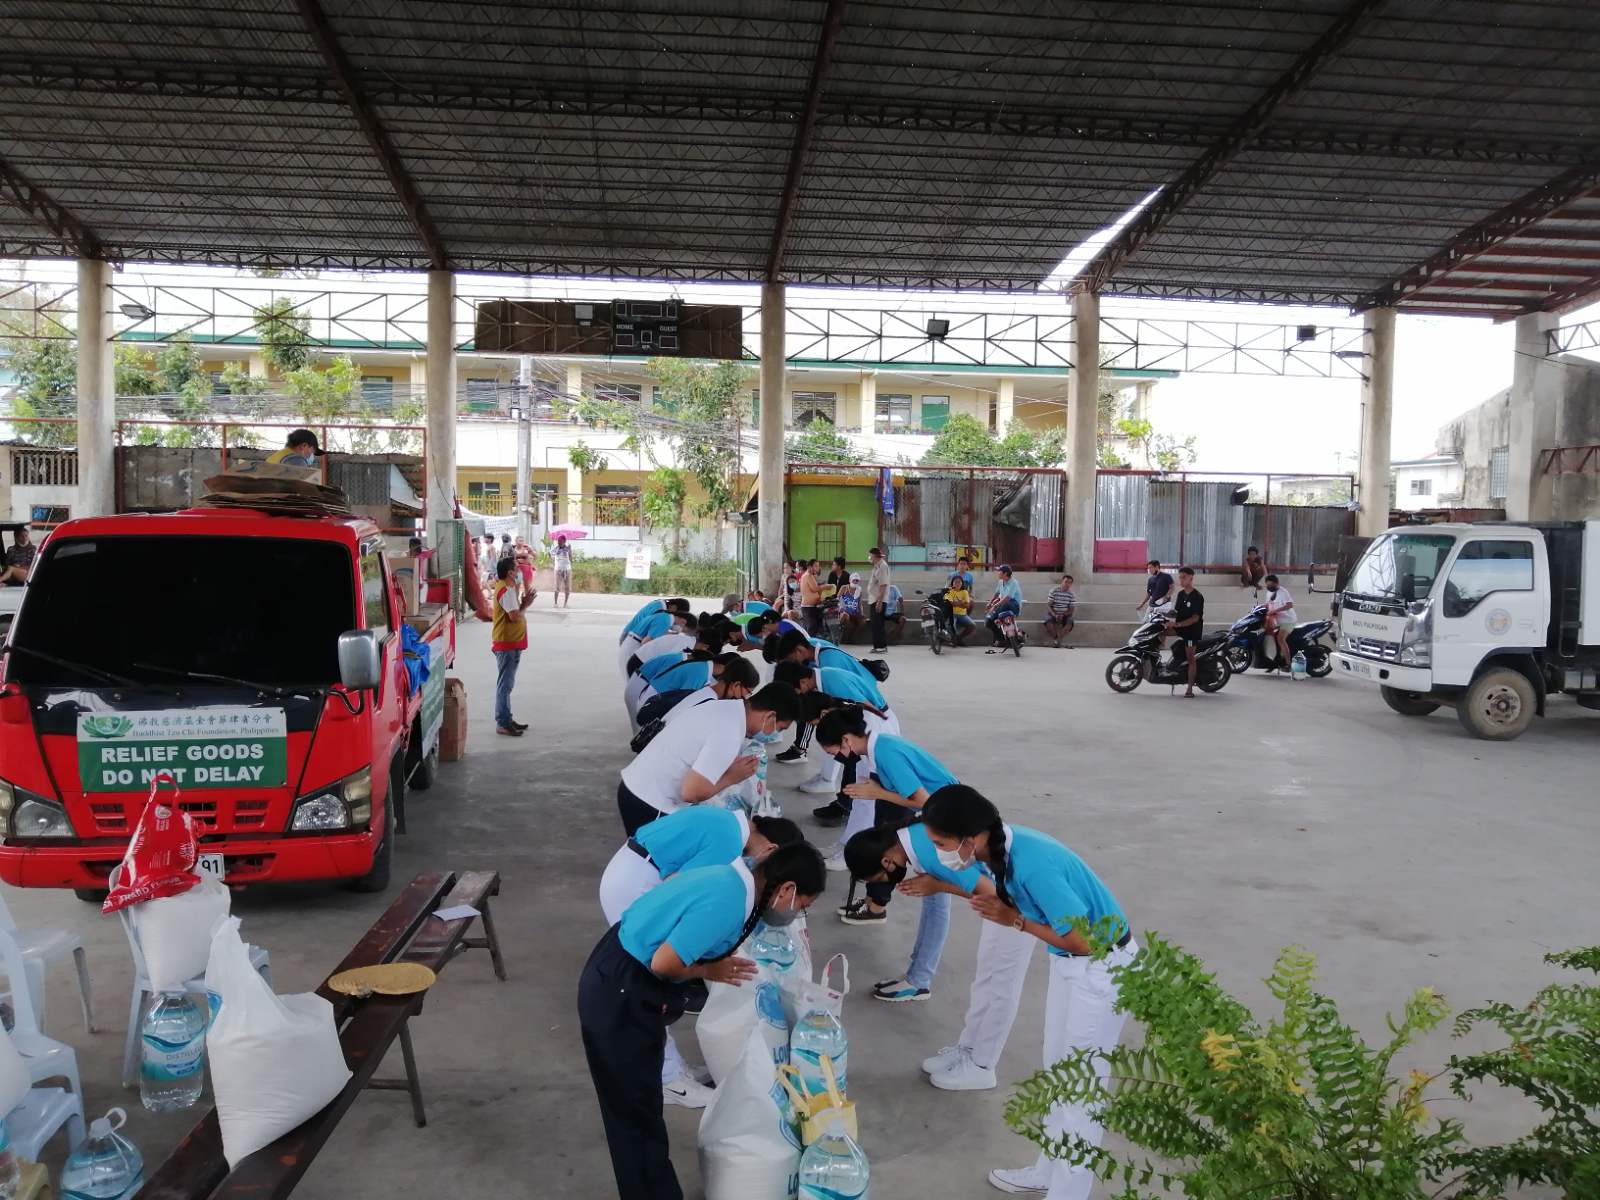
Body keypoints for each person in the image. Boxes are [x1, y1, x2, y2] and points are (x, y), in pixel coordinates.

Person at [919, 785, 1136, 1197]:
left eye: (940, 843)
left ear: (970, 838)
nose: (938, 852)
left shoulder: (1032, 864)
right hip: (1072, 966)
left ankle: (1068, 1192)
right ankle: (1048, 1170)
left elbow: (1082, 940)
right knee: (1060, 1072)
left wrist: (1013, 921)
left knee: (1080, 1088)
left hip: (1101, 969)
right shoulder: (997, 851)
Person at [578, 843, 826, 1200]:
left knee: (639, 1107)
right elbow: (664, 963)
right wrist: (710, 969)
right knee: (635, 1115)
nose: (797, 913)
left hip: (621, 969)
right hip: (621, 988)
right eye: (802, 905)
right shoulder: (727, 901)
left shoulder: (734, 878)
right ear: (786, 889)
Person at [597, 806, 803, 1109]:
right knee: (654, 982)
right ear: (770, 850)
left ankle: (675, 1067)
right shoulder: (727, 842)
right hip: (636, 884)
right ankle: (669, 1080)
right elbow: (685, 887)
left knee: (660, 977)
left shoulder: (729, 824)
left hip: (634, 870)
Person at [816, 708, 959, 913]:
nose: (838, 758)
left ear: (846, 740)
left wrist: (878, 793)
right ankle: (874, 902)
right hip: (939, 812)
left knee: (936, 900)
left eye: (834, 753)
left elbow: (926, 802)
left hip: (949, 815)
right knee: (886, 834)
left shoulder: (886, 753)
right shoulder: (877, 747)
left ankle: (877, 905)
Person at [615, 683, 799, 835]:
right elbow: (692, 792)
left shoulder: (724, 708)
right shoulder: (730, 732)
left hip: (636, 786)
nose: (775, 734)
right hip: (650, 801)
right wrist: (732, 777)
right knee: (658, 866)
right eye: (780, 728)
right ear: (770, 716)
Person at [844, 818, 989, 1003]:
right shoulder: (912, 835)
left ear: (886, 861)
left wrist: (940, 885)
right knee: (935, 905)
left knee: (996, 980)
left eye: (881, 878)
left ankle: (919, 979)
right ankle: (918, 977)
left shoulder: (931, 853)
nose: (887, 882)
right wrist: (936, 886)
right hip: (1008, 884)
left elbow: (990, 893)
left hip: (1018, 899)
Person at [490, 558, 536, 736]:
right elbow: (514, 616)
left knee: (506, 684)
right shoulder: (505, 591)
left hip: (510, 642)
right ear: (510, 573)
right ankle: (503, 722)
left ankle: (506, 718)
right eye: (516, 569)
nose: (519, 572)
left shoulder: (506, 588)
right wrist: (526, 605)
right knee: (505, 685)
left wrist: (522, 601)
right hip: (506, 643)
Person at [1165, 566, 1204, 698]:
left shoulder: (1197, 596)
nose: (1181, 580)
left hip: (1192, 630)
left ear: (1191, 578)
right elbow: (1175, 612)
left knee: (1190, 659)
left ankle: (1189, 689)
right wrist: (1165, 617)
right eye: (1180, 577)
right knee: (1159, 631)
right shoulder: (1181, 594)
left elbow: (1195, 618)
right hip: (1180, 626)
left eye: (1183, 577)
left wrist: (1178, 624)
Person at [984, 564, 1024, 652]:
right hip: (1002, 606)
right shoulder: (1000, 582)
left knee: (1006, 603)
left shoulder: (1014, 582)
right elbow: (997, 594)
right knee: (988, 622)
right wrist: (990, 603)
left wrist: (994, 606)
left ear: (1005, 573)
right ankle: (1002, 639)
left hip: (1013, 606)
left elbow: (1007, 598)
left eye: (999, 571)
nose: (998, 573)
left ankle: (999, 619)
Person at [1263, 573, 1298, 670]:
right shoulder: (1269, 593)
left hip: (1288, 620)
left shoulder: (1283, 592)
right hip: (1275, 621)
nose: (1269, 587)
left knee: (1280, 639)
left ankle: (1288, 664)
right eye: (1267, 585)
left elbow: (1290, 605)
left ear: (1276, 583)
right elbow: (1267, 605)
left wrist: (1276, 610)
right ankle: (1273, 661)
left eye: (1271, 585)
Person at [865, 546, 892, 653]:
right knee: (875, 624)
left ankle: (881, 647)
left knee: (878, 624)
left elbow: (883, 585)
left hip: (879, 600)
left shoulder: (882, 566)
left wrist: (879, 602)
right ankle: (877, 646)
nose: (869, 558)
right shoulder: (877, 566)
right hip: (874, 599)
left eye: (870, 556)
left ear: (875, 556)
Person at [1043, 574, 1076, 648]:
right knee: (1048, 621)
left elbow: (1071, 609)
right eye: (1066, 582)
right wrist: (1055, 615)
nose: (1067, 584)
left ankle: (1057, 641)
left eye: (1070, 583)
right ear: (1062, 581)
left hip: (1065, 614)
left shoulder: (1071, 594)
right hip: (1053, 612)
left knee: (1070, 622)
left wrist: (1063, 615)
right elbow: (1048, 605)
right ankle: (1057, 639)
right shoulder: (1054, 591)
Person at [944, 572, 974, 644]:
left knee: (972, 626)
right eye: (955, 582)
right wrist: (961, 603)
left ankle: (958, 639)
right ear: (952, 583)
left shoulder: (965, 592)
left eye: (959, 582)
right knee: (952, 627)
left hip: (962, 615)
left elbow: (967, 606)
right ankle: (952, 640)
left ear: (962, 583)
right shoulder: (949, 592)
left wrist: (955, 603)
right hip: (952, 615)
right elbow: (951, 603)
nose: (957, 584)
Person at [835, 573, 864, 643]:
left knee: (863, 622)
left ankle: (850, 637)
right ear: (850, 580)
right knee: (845, 616)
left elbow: (860, 604)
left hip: (854, 613)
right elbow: (837, 600)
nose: (855, 582)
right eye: (854, 580)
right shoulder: (844, 588)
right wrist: (839, 609)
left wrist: (862, 614)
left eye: (857, 581)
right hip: (844, 612)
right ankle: (842, 637)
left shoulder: (859, 590)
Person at [799, 558, 824, 635]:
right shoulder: (807, 576)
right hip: (807, 607)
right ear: (810, 567)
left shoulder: (811, 576)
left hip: (813, 606)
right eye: (816, 566)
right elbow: (815, 589)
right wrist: (826, 586)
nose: (818, 568)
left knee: (815, 627)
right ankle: (809, 644)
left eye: (818, 566)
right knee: (811, 627)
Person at [552, 534, 573, 607]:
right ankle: (555, 602)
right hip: (558, 569)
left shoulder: (568, 548)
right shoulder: (556, 548)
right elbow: (551, 554)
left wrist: (569, 551)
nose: (559, 542)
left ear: (564, 541)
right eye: (558, 541)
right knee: (557, 586)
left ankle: (565, 603)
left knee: (567, 587)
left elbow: (571, 558)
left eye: (560, 541)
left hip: (567, 569)